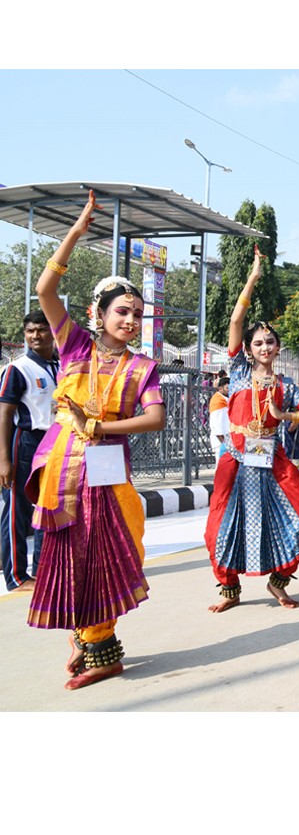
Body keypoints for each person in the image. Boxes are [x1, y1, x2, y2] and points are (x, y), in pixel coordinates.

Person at [25, 191, 166, 689]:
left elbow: (154, 419)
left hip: (107, 467)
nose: (130, 321)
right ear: (98, 313)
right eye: (122, 311)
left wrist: (102, 426)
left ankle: (101, 648)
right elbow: (45, 288)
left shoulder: (143, 366)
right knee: (67, 552)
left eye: (137, 314)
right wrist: (77, 232)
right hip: (62, 465)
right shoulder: (75, 345)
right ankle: (88, 639)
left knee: (108, 551)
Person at [203, 247, 299, 613]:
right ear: (248, 350)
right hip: (235, 459)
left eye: (270, 342)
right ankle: (229, 589)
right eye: (258, 343)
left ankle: (278, 581)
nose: (264, 346)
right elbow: (236, 321)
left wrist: (284, 416)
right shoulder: (238, 372)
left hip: (273, 459)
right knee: (218, 529)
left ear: (278, 347)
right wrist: (253, 277)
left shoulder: (287, 385)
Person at [0, 310, 58, 592]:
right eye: (30, 331)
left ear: (52, 332)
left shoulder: (59, 367)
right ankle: (16, 576)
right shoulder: (18, 369)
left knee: (46, 508)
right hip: (24, 441)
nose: (35, 336)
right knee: (16, 509)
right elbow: (4, 413)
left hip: (53, 443)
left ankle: (42, 571)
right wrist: (4, 460)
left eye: (41, 330)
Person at [208, 373, 230, 458]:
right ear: (220, 389)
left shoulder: (226, 399)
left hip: (227, 440)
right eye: (227, 388)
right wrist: (224, 443)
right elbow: (217, 425)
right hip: (221, 441)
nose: (230, 390)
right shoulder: (218, 402)